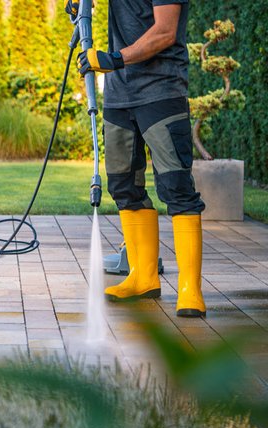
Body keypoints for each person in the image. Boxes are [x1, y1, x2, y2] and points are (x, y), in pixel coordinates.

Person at [72, 0, 206, 318]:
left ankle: (190, 289)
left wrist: (114, 59)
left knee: (176, 187)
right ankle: (143, 276)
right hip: (120, 95)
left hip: (161, 91)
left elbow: (164, 31)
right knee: (123, 186)